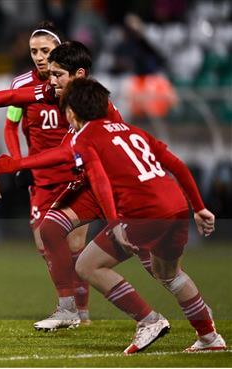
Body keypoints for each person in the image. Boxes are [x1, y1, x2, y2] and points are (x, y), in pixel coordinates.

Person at [0, 40, 124, 331]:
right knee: (50, 243)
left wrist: (18, 164)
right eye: (34, 51)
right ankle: (73, 309)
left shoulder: (93, 102)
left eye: (47, 54)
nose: (41, 62)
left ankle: (80, 311)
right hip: (44, 178)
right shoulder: (44, 88)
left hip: (82, 178)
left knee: (82, 251)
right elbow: (10, 98)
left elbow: (109, 137)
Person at [61, 77, 226, 354]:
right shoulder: (131, 130)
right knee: (171, 275)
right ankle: (209, 338)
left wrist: (114, 222)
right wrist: (198, 207)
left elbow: (99, 179)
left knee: (87, 266)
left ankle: (148, 321)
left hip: (144, 212)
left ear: (71, 112)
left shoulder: (84, 137)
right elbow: (175, 164)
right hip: (175, 205)